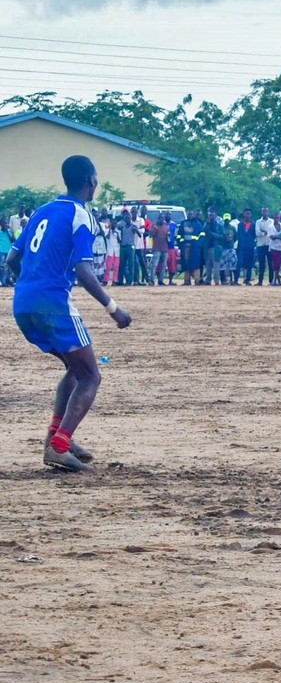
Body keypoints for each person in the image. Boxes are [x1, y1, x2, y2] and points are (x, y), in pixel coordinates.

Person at [6, 156, 134, 472]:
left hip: (23, 303)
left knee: (74, 370)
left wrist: (33, 281)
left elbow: (11, 259)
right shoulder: (81, 216)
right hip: (54, 305)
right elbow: (83, 270)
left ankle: (59, 436)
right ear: (91, 180)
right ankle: (59, 446)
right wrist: (113, 308)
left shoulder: (41, 211)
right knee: (90, 375)